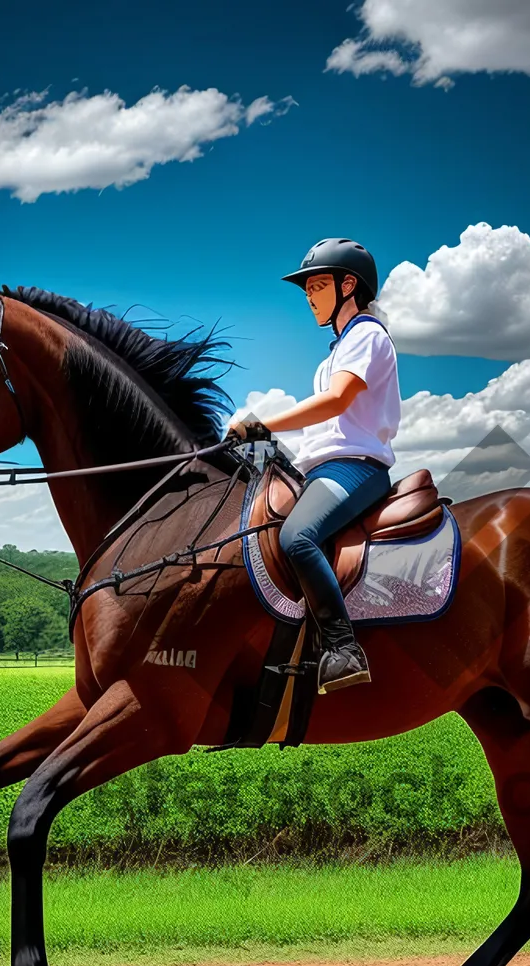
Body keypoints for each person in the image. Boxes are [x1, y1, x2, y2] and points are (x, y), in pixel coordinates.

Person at [227, 238, 401, 694]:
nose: (309, 296)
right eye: (306, 289)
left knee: (296, 537)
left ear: (349, 286)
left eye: (318, 285)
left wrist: (263, 423)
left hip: (355, 468)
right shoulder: (336, 351)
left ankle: (343, 649)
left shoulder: (367, 335)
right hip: (322, 468)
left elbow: (337, 401)